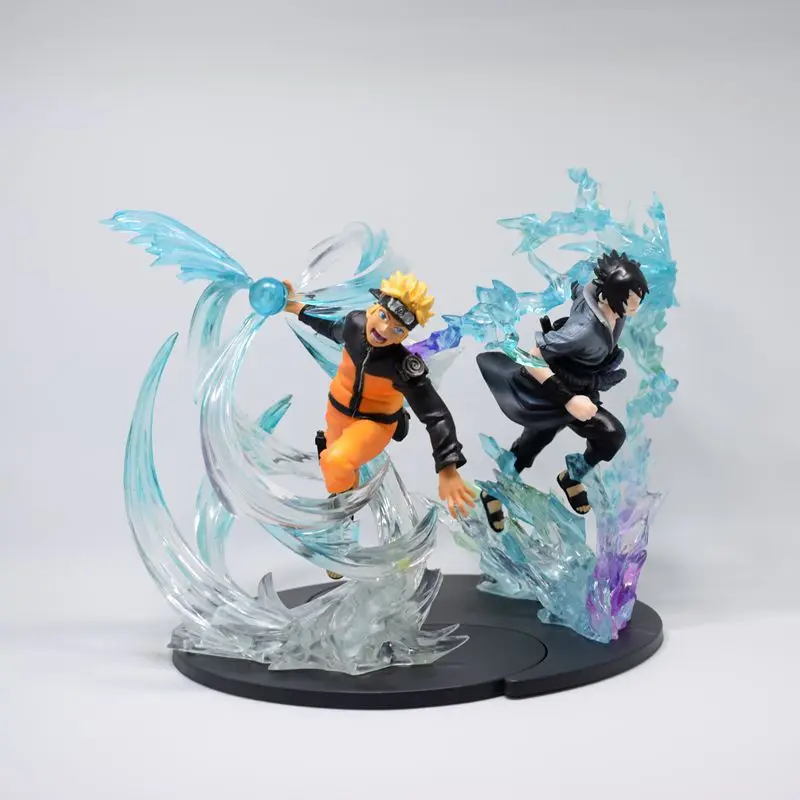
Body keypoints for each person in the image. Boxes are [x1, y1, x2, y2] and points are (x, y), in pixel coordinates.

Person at [283, 271, 476, 577]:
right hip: (336, 411)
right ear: (374, 308)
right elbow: (328, 326)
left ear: (404, 334)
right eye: (384, 316)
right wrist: (295, 307)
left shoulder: (403, 366)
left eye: (397, 329)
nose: (384, 330)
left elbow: (436, 414)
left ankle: (340, 529)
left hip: (374, 423)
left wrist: (448, 467)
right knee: (332, 468)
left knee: (336, 461)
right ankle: (342, 512)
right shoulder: (354, 324)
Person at [477, 250, 649, 531]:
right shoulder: (582, 330)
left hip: (583, 386)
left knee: (611, 434)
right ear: (612, 296)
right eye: (631, 303)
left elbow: (578, 287)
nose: (635, 309)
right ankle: (493, 493)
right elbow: (532, 357)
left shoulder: (608, 305)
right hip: (552, 390)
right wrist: (568, 400)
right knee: (531, 445)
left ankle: (572, 476)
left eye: (637, 302)